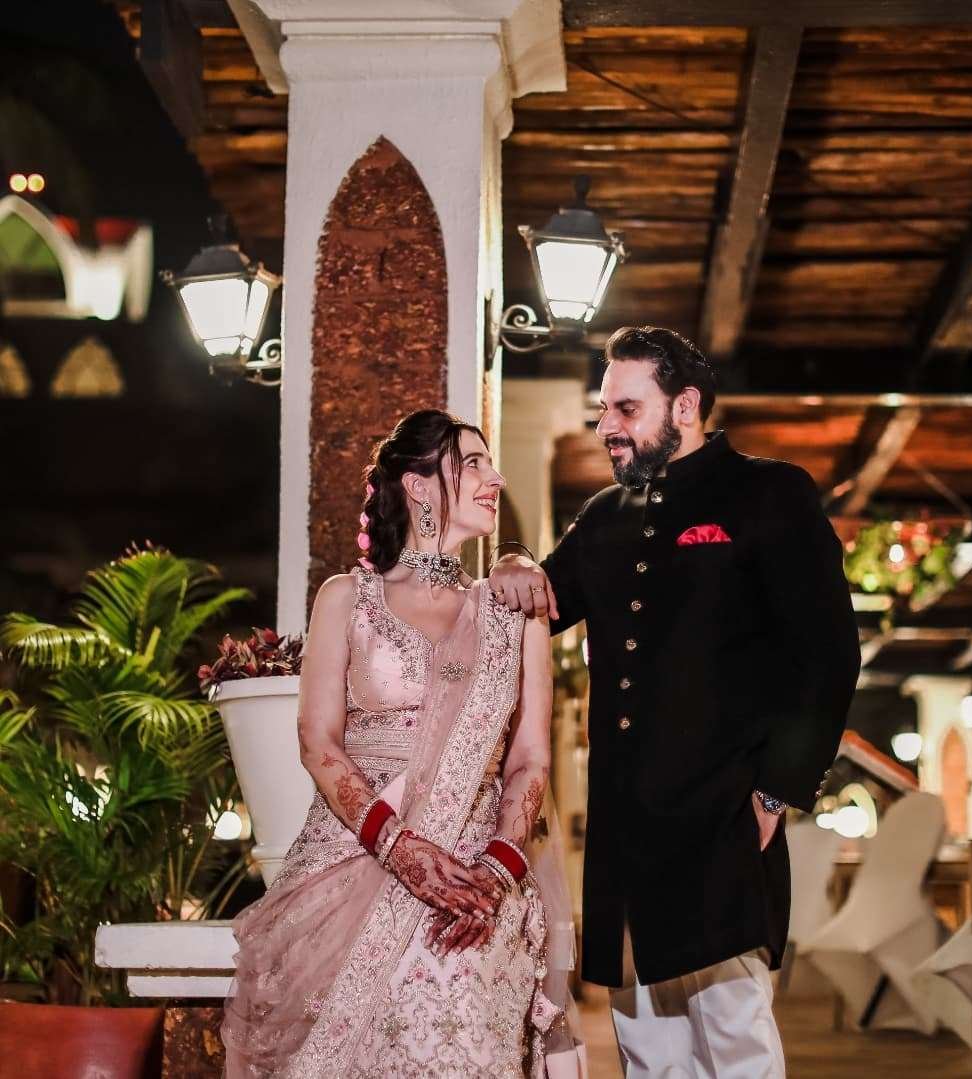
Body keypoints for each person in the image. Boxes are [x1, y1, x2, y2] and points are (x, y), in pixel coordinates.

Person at [490, 327, 862, 1077]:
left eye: (626, 408)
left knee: (733, 1037)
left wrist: (774, 792)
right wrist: (512, 559)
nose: (606, 425)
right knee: (646, 1045)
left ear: (685, 406)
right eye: (604, 408)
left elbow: (826, 656)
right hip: (624, 828)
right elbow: (540, 599)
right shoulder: (604, 516)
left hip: (724, 813)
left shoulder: (769, 493)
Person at [222, 409, 581, 1078]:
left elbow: (530, 759)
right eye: (472, 463)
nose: (495, 478)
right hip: (354, 861)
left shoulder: (514, 614)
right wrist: (401, 849)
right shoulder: (345, 598)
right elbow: (317, 742)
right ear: (417, 485)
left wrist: (495, 874)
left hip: (475, 882)